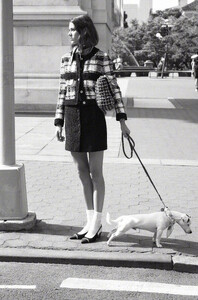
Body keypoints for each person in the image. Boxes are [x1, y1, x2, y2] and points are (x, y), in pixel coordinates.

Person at [54, 15, 130, 244]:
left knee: (96, 173)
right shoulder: (65, 58)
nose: (69, 34)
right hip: (72, 116)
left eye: (72, 30)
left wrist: (122, 120)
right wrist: (58, 121)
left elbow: (114, 89)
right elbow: (60, 91)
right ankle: (89, 222)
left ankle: (97, 224)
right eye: (68, 30)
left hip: (94, 117)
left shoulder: (102, 58)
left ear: (83, 31)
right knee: (81, 172)